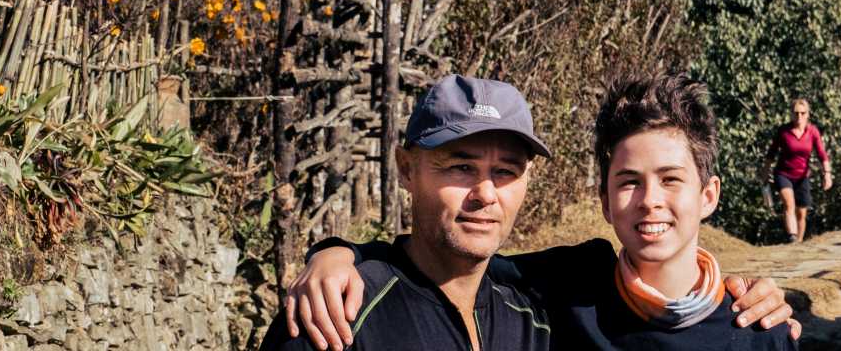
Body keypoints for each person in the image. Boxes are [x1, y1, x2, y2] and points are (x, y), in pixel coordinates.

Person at [263, 74, 797, 351]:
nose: (485, 193)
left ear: (709, 195)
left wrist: (748, 298)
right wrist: (338, 254)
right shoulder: (333, 318)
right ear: (407, 169)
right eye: (460, 167)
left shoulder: (542, 306)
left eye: (506, 171)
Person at [766, 98, 830, 243]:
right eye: (796, 113)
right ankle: (792, 237)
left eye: (802, 113)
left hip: (802, 177)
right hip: (783, 174)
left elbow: (822, 154)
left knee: (801, 213)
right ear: (791, 114)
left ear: (808, 114)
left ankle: (799, 243)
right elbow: (772, 153)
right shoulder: (783, 131)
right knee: (789, 204)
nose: (799, 116)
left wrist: (827, 175)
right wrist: (765, 171)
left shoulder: (812, 132)